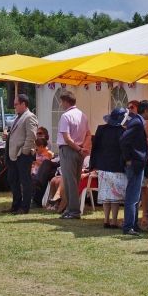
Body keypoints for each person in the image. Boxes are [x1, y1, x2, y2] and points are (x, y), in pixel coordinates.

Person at [120, 100, 148, 236]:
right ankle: (128, 226)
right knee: (132, 196)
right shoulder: (137, 122)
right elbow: (124, 140)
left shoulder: (136, 121)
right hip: (134, 163)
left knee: (135, 196)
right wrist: (128, 159)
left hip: (137, 162)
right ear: (145, 111)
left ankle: (133, 224)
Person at [91, 107, 127, 228]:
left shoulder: (101, 129)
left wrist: (93, 164)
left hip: (103, 165)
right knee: (115, 197)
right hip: (117, 166)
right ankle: (114, 221)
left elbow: (95, 147)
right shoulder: (122, 132)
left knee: (106, 196)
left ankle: (106, 220)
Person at [56, 90, 89, 220]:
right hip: (79, 149)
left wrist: (79, 149)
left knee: (70, 181)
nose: (61, 104)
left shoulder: (66, 116)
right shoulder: (83, 115)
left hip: (69, 149)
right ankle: (71, 209)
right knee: (74, 180)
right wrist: (83, 148)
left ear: (65, 102)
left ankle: (73, 210)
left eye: (62, 102)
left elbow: (67, 138)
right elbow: (88, 133)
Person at [5, 93, 38, 214]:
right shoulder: (18, 116)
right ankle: (16, 205)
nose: (14, 107)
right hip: (13, 154)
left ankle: (25, 207)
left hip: (23, 154)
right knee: (13, 180)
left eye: (16, 104)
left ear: (23, 104)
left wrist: (24, 151)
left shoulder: (30, 116)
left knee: (25, 181)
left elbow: (31, 135)